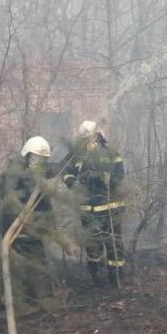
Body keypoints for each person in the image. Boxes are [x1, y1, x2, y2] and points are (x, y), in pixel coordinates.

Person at [0, 135, 57, 309]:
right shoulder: (13, 175)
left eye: (43, 160)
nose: (39, 163)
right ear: (27, 155)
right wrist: (23, 220)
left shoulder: (36, 174)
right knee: (28, 262)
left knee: (36, 260)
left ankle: (35, 298)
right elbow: (10, 200)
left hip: (31, 227)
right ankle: (36, 299)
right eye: (36, 158)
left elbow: (45, 197)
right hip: (17, 227)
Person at [62, 120, 127, 285]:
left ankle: (116, 278)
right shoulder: (76, 156)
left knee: (113, 243)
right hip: (88, 210)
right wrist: (75, 182)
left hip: (110, 207)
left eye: (90, 138)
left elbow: (119, 175)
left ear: (98, 136)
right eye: (85, 139)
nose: (88, 142)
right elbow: (65, 172)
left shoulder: (111, 153)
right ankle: (96, 277)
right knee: (92, 245)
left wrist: (106, 179)